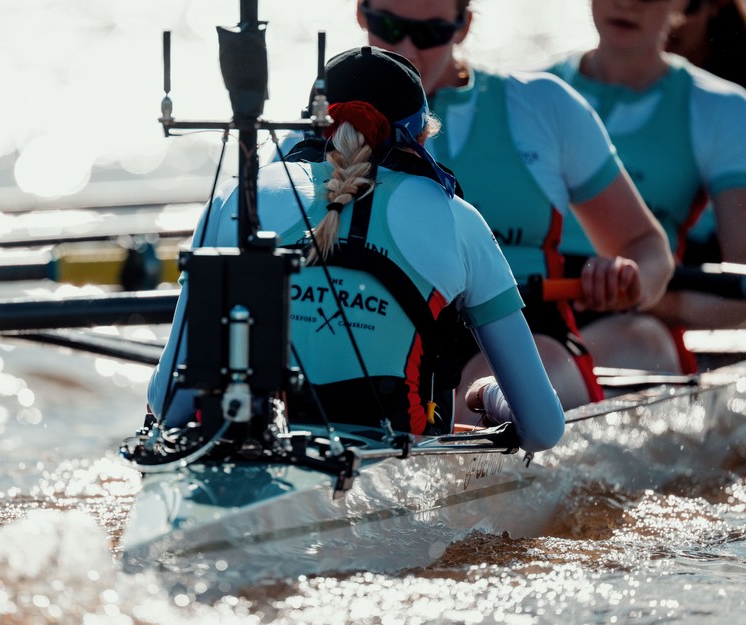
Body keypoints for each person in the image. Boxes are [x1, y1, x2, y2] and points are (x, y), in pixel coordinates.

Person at [148, 46, 565, 453]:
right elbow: (543, 429)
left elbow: (169, 404)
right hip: (391, 476)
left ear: (313, 127)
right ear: (421, 135)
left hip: (245, 454)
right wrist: (488, 394)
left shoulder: (239, 197)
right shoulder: (460, 220)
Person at [356, 0, 674, 423]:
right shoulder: (321, 129)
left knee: (474, 398)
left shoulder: (543, 106)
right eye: (389, 26)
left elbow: (648, 247)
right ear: (361, 15)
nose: (408, 49)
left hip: (523, 330)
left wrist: (634, 281)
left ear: (463, 25)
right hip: (379, 327)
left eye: (431, 33)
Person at [549, 0, 746, 374]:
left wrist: (641, 293)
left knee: (634, 344)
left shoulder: (725, 109)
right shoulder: (522, 95)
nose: (626, 3)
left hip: (629, 326)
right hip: (516, 311)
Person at [665, 0, 746, 264]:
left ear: (716, 5)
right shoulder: (583, 83)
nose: (673, 20)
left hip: (705, 256)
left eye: (688, 9)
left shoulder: (733, 101)